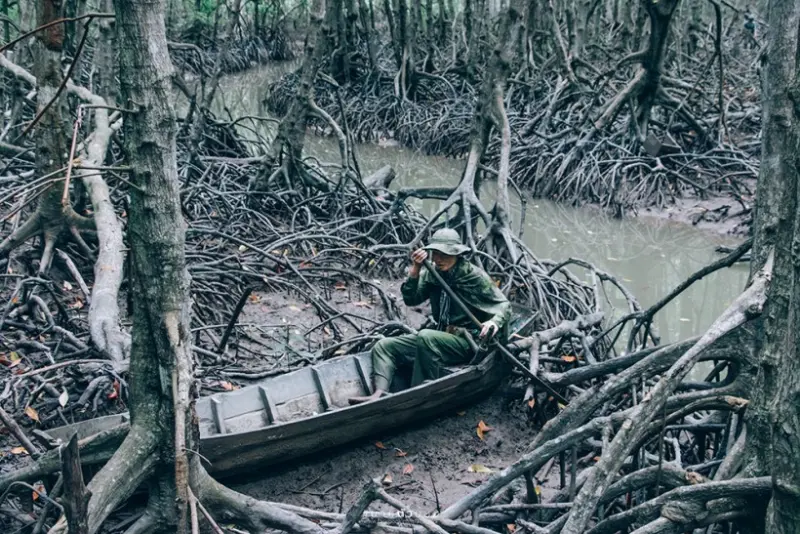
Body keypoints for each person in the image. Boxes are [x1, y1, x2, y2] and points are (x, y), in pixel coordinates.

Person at [348, 228, 511, 404]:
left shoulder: (474, 276)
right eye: (435, 254)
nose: (439, 259)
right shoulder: (432, 273)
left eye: (445, 254)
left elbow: (504, 305)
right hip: (439, 337)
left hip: (467, 342)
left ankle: (421, 393)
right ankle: (378, 394)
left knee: (426, 337)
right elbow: (411, 299)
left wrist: (494, 322)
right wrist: (415, 270)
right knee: (384, 346)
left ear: (456, 253)